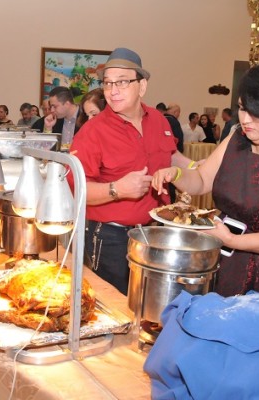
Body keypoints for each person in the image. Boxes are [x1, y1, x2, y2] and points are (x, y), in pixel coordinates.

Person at [152, 63, 259, 302]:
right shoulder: (236, 141)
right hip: (228, 258)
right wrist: (177, 174)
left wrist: (233, 240)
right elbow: (202, 180)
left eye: (257, 113)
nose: (245, 120)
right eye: (243, 109)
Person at [69, 47, 195, 295]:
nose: (113, 91)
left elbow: (172, 156)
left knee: (151, 308)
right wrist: (117, 189)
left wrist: (200, 169)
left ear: (142, 86)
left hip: (157, 233)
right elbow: (76, 190)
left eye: (123, 82)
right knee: (114, 310)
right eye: (107, 83)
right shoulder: (92, 132)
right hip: (112, 240)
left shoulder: (159, 120)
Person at [31, 86, 80, 151]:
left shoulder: (86, 118)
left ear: (67, 104)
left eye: (54, 106)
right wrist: (48, 128)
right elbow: (46, 148)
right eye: (51, 106)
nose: (52, 110)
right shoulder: (55, 119)